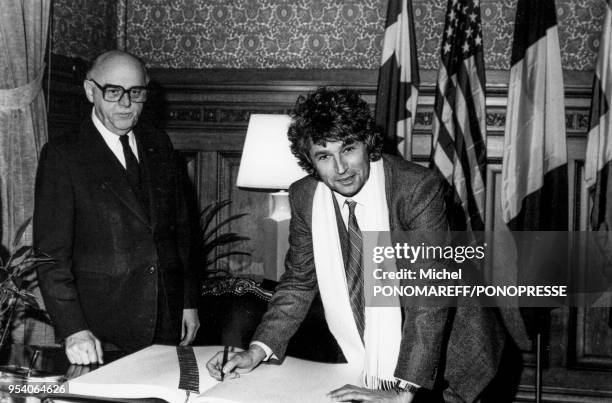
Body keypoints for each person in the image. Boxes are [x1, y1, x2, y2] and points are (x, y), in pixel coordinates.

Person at [206, 88, 505, 402]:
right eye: (324, 156)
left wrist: (402, 393)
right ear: (310, 160)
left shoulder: (416, 188)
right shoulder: (305, 197)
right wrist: (256, 351)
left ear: (367, 143)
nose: (340, 168)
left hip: (451, 353)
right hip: (362, 356)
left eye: (348, 149)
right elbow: (298, 282)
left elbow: (427, 295)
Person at [34, 50, 200, 365]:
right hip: (99, 332)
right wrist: (73, 329)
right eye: (113, 92)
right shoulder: (63, 155)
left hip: (165, 321)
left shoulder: (159, 143)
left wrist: (187, 302)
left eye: (135, 93)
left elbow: (182, 232)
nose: (126, 103)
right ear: (90, 91)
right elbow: (50, 256)